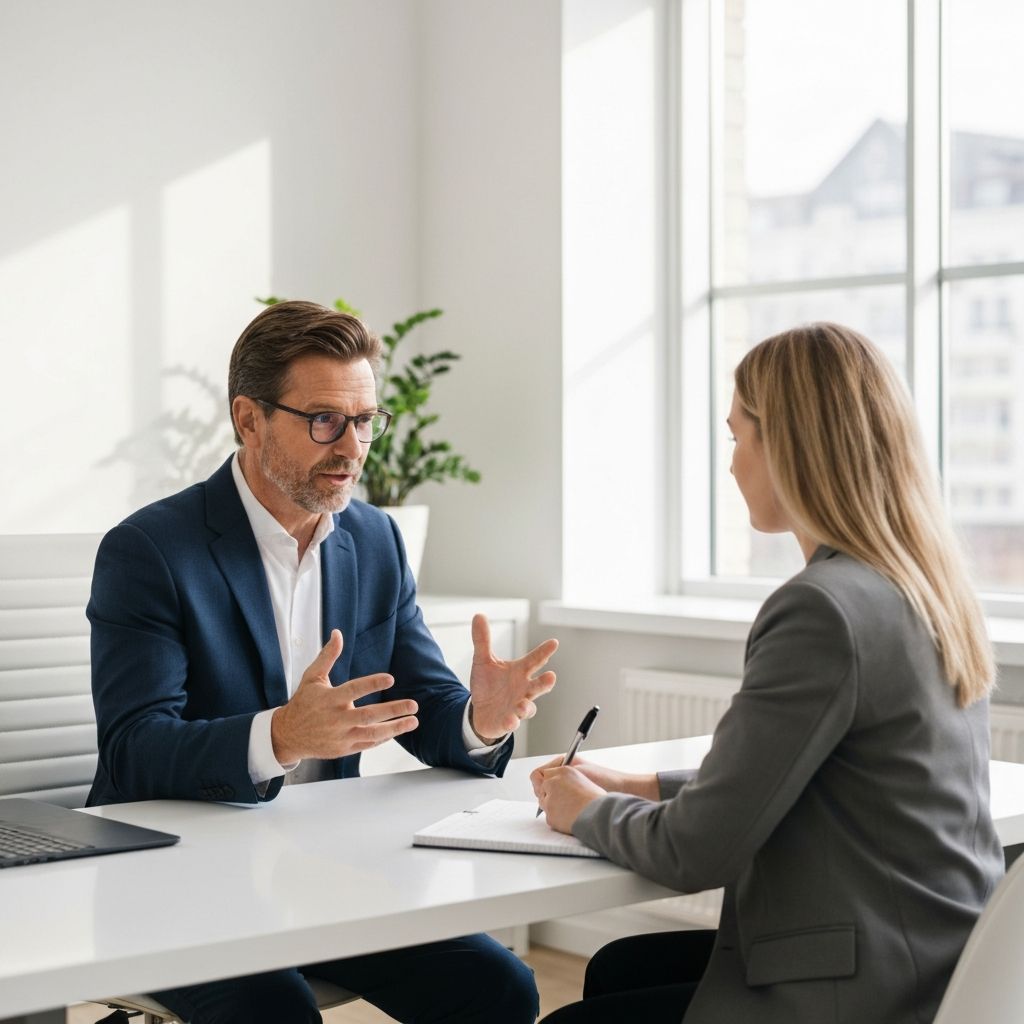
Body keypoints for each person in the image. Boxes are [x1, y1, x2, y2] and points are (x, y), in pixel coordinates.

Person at [87, 299, 557, 1024]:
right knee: (272, 1008)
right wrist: (280, 737)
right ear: (249, 420)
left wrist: (478, 720)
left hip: (318, 868)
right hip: (174, 880)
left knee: (498, 985)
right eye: (324, 420)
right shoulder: (150, 551)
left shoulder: (374, 540)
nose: (352, 447)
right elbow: (134, 747)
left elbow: (420, 703)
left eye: (365, 420)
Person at [532, 322, 1003, 1024]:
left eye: (736, 437)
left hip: (858, 990)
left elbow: (695, 853)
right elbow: (828, 778)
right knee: (619, 969)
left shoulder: (821, 609)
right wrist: (646, 785)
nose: (732, 465)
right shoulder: (923, 586)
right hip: (935, 962)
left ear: (788, 444)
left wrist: (585, 810)